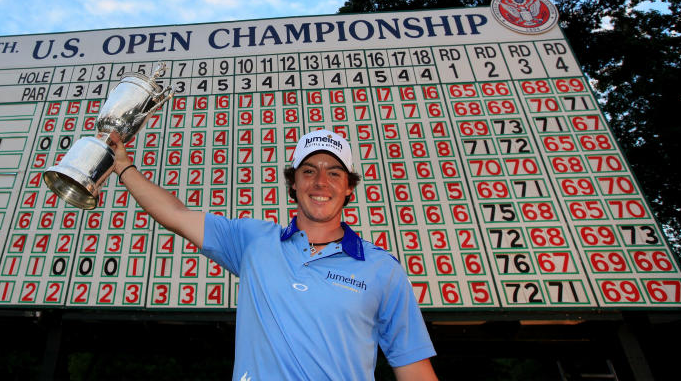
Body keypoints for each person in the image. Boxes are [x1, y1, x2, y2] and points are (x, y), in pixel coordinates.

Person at [106, 128, 437, 381]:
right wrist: (123, 166)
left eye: (334, 172)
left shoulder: (382, 269)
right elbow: (175, 214)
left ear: (349, 187)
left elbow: (414, 368)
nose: (321, 181)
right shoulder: (254, 241)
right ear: (293, 183)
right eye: (309, 171)